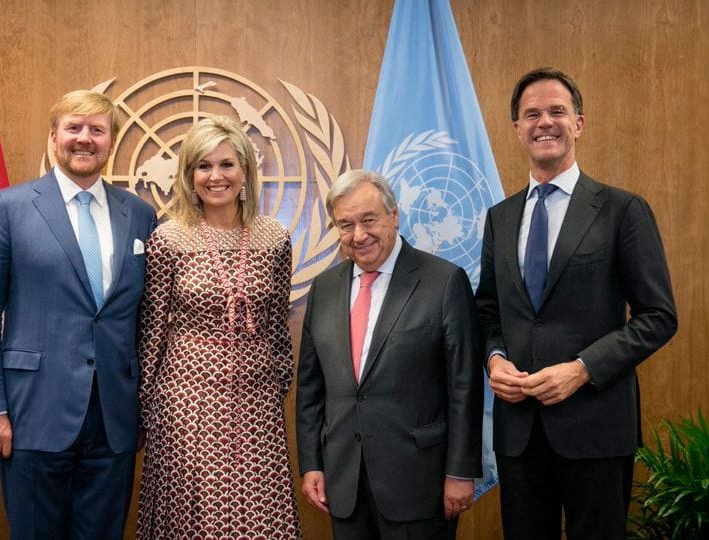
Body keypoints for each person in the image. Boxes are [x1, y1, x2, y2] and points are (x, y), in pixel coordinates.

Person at [475, 67, 678, 539]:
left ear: (578, 124)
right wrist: (494, 356)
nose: (544, 122)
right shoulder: (500, 218)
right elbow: (488, 309)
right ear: (518, 130)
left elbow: (659, 316)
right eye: (532, 114)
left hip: (597, 427)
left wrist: (583, 368)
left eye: (557, 111)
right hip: (520, 433)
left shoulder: (622, 210)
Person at [0, 90, 157, 539]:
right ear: (54, 137)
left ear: (111, 142)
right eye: (73, 127)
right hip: (32, 414)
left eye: (97, 130)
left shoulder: (142, 216)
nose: (84, 139)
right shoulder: (8, 208)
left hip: (114, 421)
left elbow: (147, 319)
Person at [136, 115, 301, 538]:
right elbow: (153, 330)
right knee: (195, 521)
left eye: (226, 164)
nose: (216, 176)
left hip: (256, 405)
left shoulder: (274, 236)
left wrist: (274, 382)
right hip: (186, 405)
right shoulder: (169, 238)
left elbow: (278, 327)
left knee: (259, 520)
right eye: (204, 166)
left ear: (244, 170)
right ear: (190, 176)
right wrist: (148, 406)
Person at [296, 169, 483, 539]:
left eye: (369, 220)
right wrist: (312, 464)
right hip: (344, 480)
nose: (359, 235)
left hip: (419, 482)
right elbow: (310, 389)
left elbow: (465, 386)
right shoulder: (325, 288)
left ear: (394, 215)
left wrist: (460, 471)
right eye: (345, 224)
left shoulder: (443, 282)